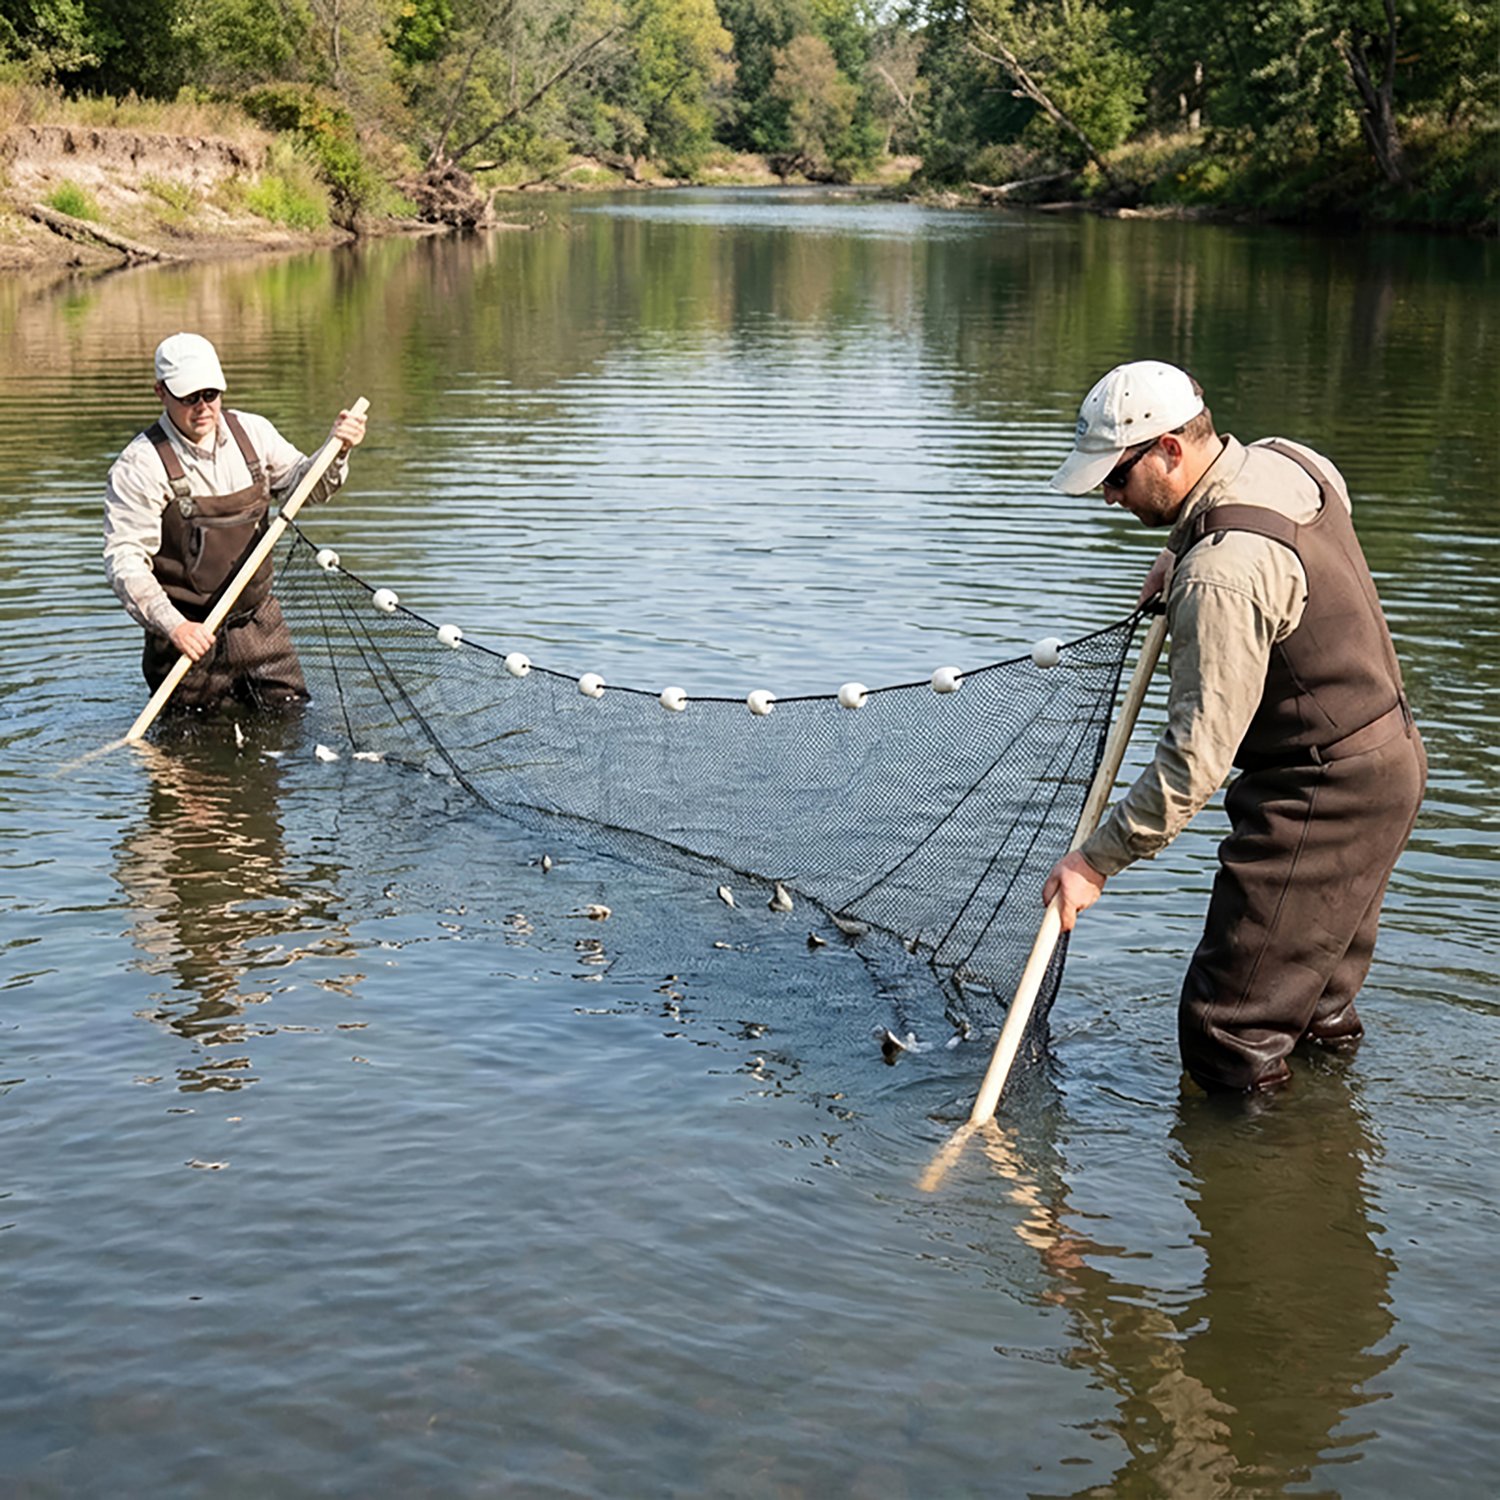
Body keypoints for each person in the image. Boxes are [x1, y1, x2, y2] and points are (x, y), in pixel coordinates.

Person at [1042, 360, 1425, 1094]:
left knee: (1227, 1029)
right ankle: (1329, 1160)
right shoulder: (1290, 460)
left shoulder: (1221, 576)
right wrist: (1181, 542)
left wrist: (1095, 862)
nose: (1109, 499)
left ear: (1170, 451)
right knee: (1312, 1007)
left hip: (1323, 793)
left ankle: (1259, 1179)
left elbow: (1195, 761)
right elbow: (1270, 514)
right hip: (1392, 760)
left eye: (1116, 480)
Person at [104, 332, 367, 711]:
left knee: (290, 719)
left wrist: (336, 450)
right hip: (188, 638)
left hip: (260, 625)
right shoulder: (140, 465)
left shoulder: (253, 433)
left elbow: (305, 489)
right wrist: (175, 627)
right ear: (160, 392)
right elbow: (125, 560)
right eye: (189, 397)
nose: (203, 407)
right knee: (190, 746)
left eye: (210, 394)